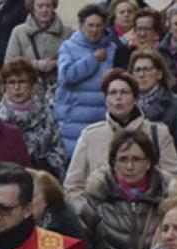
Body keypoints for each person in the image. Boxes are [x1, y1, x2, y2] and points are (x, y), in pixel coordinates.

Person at [80, 129, 177, 249]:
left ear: (148, 162)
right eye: (123, 159)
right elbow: (85, 246)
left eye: (136, 159)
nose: (129, 166)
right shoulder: (97, 197)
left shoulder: (167, 199)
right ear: (113, 164)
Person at [63, 69, 177, 201]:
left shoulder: (158, 133)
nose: (118, 97)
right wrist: (89, 214)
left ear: (135, 99)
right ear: (106, 100)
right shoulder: (90, 136)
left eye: (124, 92)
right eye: (112, 93)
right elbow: (72, 186)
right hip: (103, 217)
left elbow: (176, 181)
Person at [55, 4, 130, 158]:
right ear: (81, 25)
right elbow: (67, 76)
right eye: (90, 25)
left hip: (102, 120)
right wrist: (93, 59)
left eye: (98, 26)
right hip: (73, 122)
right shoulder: (68, 47)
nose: (94, 30)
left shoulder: (113, 49)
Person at [0, 58, 67, 179]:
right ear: (4, 86)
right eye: (11, 82)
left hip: (40, 179)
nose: (17, 88)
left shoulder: (47, 114)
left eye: (22, 82)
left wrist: (42, 168)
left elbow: (59, 151)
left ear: (32, 84)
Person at [131, 49, 177, 168]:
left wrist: (173, 171)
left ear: (159, 74)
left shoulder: (176, 105)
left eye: (147, 69)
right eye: (137, 70)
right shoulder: (125, 105)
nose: (141, 75)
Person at [5, 0, 74, 96]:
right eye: (40, 6)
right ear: (32, 7)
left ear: (53, 7)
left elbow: (75, 61)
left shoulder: (68, 32)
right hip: (28, 93)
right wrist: (37, 64)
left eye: (48, 6)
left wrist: (57, 63)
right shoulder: (19, 32)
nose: (44, 10)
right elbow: (9, 64)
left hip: (59, 91)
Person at [29, 169, 91, 249]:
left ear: (47, 198)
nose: (26, 204)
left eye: (31, 197)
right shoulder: (57, 210)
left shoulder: (56, 226)